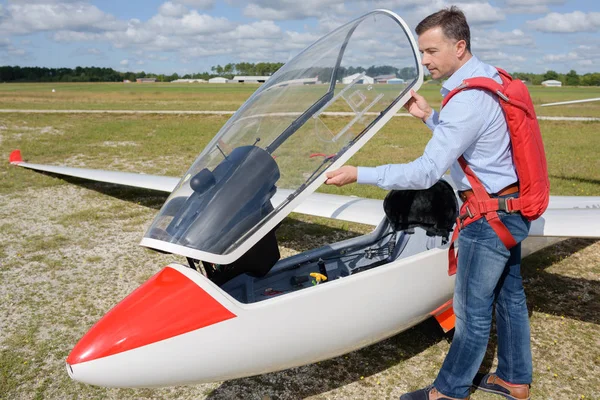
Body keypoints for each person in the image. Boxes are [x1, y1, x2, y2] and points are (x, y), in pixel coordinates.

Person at [325, 7, 532, 400]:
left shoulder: (468, 99)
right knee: (509, 295)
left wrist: (359, 173)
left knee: (471, 311)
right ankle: (514, 379)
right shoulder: (487, 79)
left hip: (487, 218)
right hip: (510, 206)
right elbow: (470, 141)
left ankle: (448, 391)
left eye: (431, 51)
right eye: (422, 52)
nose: (425, 61)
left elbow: (425, 173)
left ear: (459, 46)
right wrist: (428, 117)